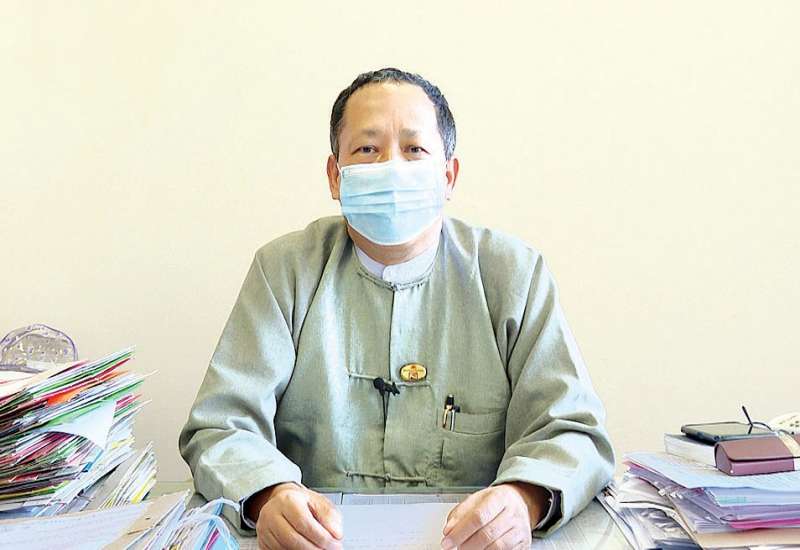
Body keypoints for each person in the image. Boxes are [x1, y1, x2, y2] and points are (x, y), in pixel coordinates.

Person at [179, 67, 614, 550]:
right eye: (368, 149)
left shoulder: (512, 274)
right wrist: (269, 496)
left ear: (448, 176)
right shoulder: (285, 271)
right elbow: (220, 427)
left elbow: (573, 430)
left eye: (414, 149)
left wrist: (523, 498)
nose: (391, 166)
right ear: (335, 176)